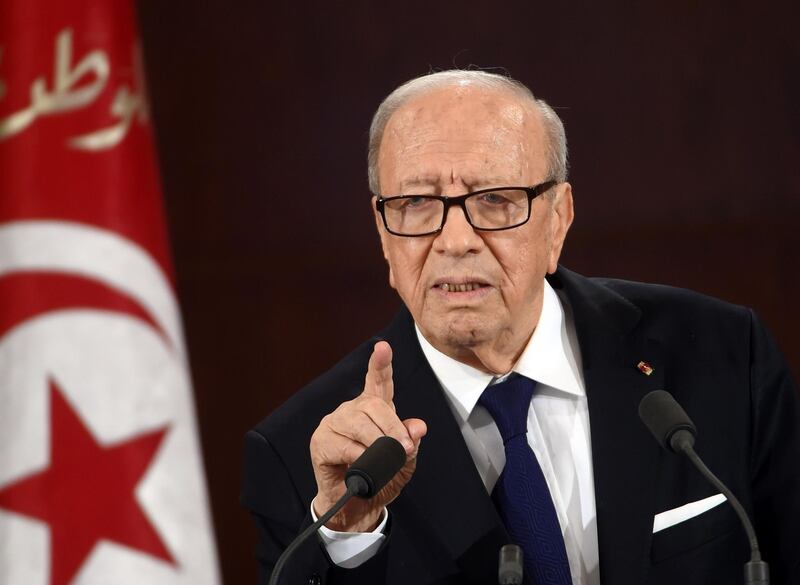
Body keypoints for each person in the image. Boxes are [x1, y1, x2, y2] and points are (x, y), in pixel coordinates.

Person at [240, 70, 800, 585]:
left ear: (558, 220)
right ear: (385, 237)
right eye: (415, 203)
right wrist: (352, 533)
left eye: (496, 201)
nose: (455, 241)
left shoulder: (724, 357)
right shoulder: (307, 458)